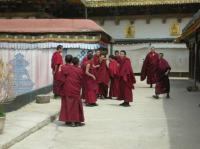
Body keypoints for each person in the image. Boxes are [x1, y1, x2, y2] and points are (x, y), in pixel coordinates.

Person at [58, 55, 85, 127]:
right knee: (75, 106)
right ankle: (76, 121)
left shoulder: (64, 68)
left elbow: (60, 79)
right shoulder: (79, 70)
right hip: (75, 90)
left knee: (68, 105)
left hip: (67, 89)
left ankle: (69, 121)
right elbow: (82, 80)